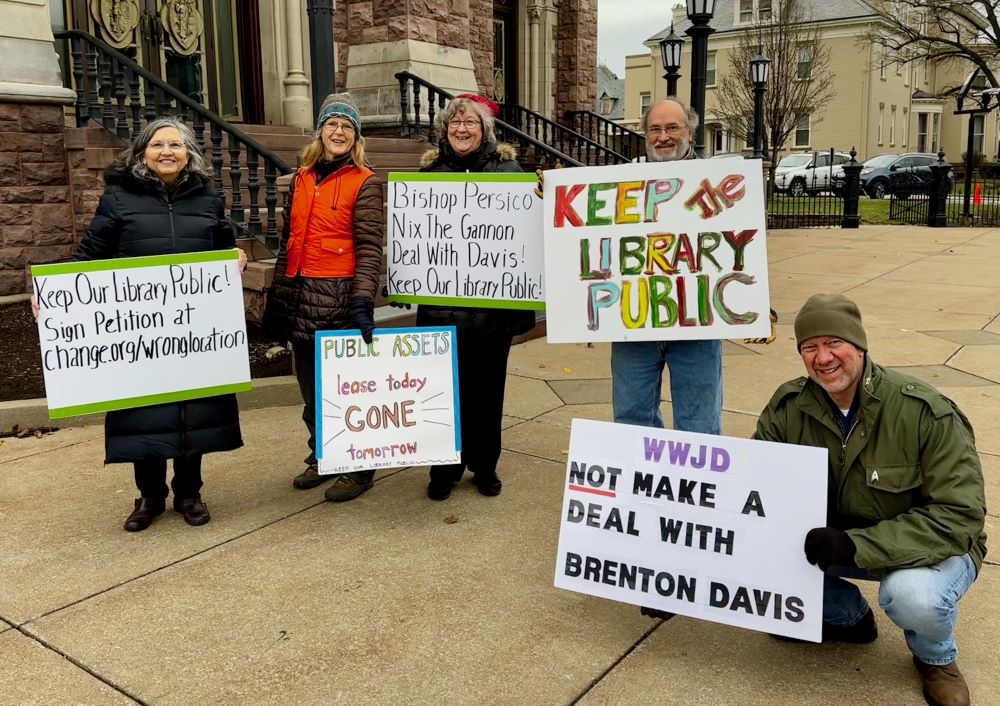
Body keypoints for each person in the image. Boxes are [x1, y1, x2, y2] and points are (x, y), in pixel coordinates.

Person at [754, 293, 986, 706]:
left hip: (927, 551)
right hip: (834, 542)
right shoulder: (787, 407)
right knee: (754, 561)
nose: (823, 358)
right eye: (810, 347)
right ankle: (849, 618)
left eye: (834, 343)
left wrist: (858, 545)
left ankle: (936, 659)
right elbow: (752, 490)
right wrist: (681, 584)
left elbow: (959, 516)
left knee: (914, 596)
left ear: (859, 345)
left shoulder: (924, 412)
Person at [64, 116, 247, 532]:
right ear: (143, 151)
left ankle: (189, 492)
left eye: (176, 145)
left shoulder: (207, 199)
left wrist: (235, 255)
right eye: (158, 144)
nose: (167, 151)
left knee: (193, 411)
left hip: (194, 331)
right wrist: (53, 294)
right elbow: (91, 253)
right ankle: (149, 495)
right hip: (140, 329)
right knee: (145, 412)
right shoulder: (119, 197)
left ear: (189, 155)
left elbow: (223, 246)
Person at [263, 93, 383, 503]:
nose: (338, 131)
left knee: (345, 389)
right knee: (311, 389)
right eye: (332, 124)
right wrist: (278, 297)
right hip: (298, 296)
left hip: (338, 297)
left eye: (347, 127)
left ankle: (360, 467)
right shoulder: (301, 178)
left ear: (355, 137)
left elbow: (370, 248)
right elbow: (288, 240)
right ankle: (325, 455)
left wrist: (363, 300)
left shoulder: (364, 182)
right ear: (320, 131)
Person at [415, 93, 535, 501]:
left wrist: (523, 306)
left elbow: (524, 241)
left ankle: (485, 466)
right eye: (454, 123)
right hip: (440, 311)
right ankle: (444, 468)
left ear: (485, 130)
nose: (462, 129)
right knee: (443, 392)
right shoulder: (428, 174)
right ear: (444, 130)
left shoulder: (509, 171)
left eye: (470, 123)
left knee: (487, 392)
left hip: (491, 312)